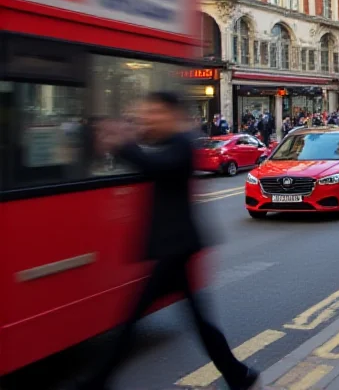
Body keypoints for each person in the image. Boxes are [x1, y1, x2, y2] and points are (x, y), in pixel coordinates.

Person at [76, 92, 260, 390]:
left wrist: (122, 143)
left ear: (171, 114)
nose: (148, 118)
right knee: (198, 322)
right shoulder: (171, 142)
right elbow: (150, 161)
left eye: (154, 113)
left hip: (176, 246)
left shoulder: (183, 143)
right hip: (175, 247)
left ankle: (98, 381)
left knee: (135, 317)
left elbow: (155, 165)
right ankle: (238, 375)